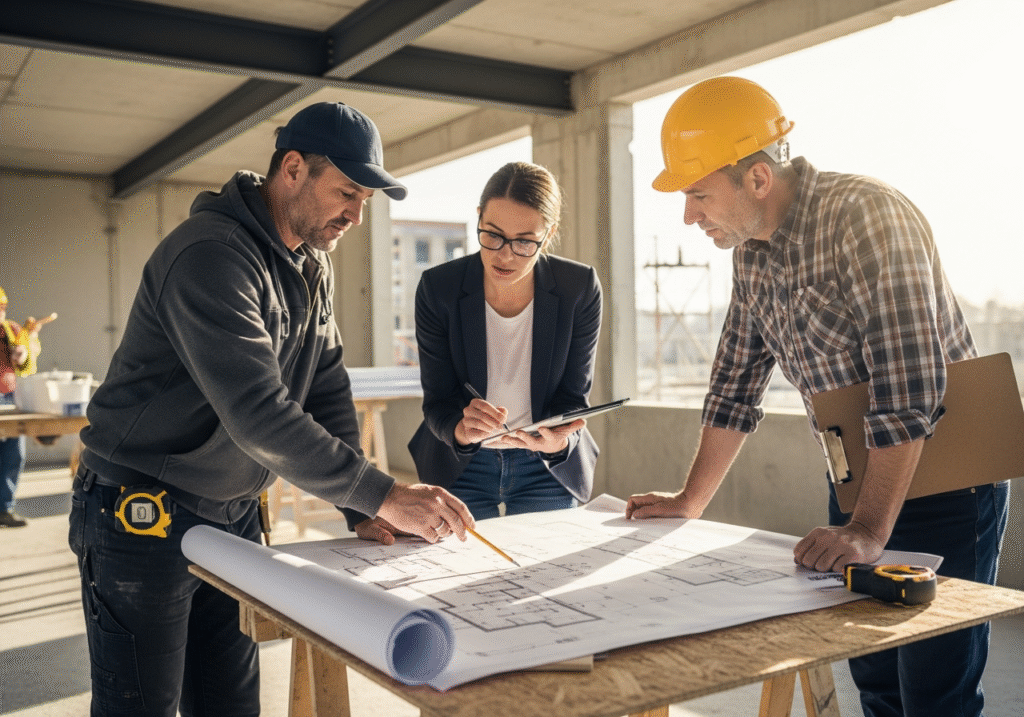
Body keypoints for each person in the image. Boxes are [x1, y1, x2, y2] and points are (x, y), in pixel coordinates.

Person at [70, 102, 475, 717]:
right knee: (140, 706)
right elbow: (258, 413)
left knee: (230, 703)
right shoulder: (210, 255)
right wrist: (385, 493)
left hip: (230, 515)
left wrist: (359, 507)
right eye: (346, 193)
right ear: (292, 170)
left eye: (365, 200)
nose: (356, 215)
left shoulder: (311, 263)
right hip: (141, 512)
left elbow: (326, 385)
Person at [625, 76, 1008, 717]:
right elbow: (734, 385)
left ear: (757, 178)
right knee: (876, 679)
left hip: (949, 478)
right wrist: (689, 501)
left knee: (934, 692)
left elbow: (908, 389)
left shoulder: (868, 217)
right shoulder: (750, 255)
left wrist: (867, 530)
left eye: (697, 193)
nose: (689, 215)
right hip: (859, 476)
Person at [352, 161, 602, 543]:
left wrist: (559, 441)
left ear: (549, 234)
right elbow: (438, 400)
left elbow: (573, 397)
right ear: (479, 218)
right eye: (493, 235)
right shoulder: (439, 288)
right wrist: (461, 429)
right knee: (457, 570)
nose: (505, 255)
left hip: (545, 467)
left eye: (524, 242)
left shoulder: (578, 287)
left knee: (544, 568)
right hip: (460, 463)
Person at [1, 285, 36, 527]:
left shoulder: (11, 330)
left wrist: (22, 356)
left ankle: (4, 509)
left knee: (13, 454)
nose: (1, 311)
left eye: (3, 306)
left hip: (9, 398)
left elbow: (27, 366)